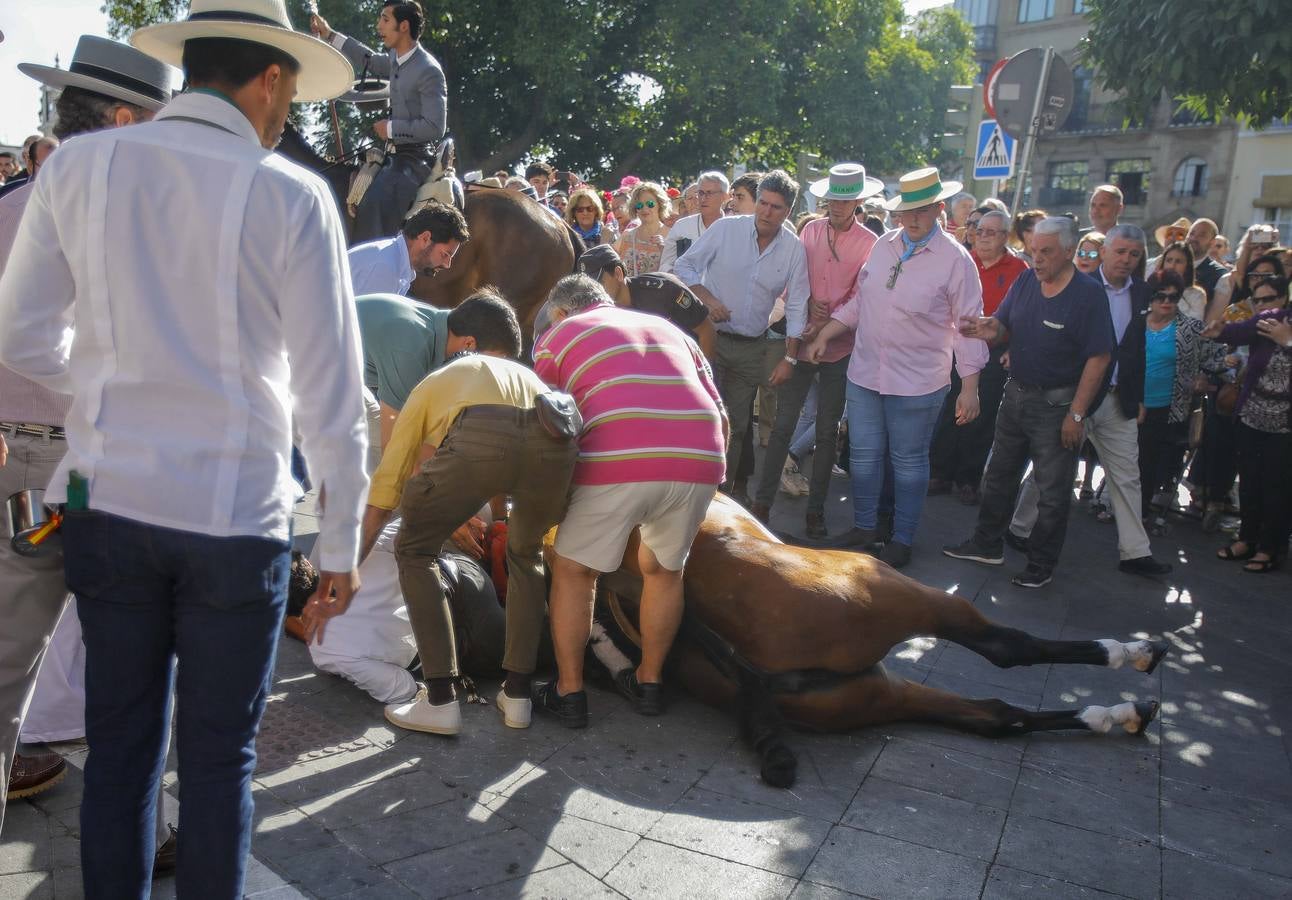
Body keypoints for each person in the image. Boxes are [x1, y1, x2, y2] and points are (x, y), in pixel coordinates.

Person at [1, 5, 369, 894]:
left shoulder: (78, 167)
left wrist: (101, 382)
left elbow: (18, 337)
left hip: (108, 505)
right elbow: (331, 397)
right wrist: (343, 543)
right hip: (233, 519)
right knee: (217, 766)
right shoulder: (291, 192)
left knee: (121, 749)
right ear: (271, 80)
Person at [0, 33, 171, 839]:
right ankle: (144, 832)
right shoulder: (131, 226)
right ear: (124, 119)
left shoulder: (10, 210)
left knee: (9, 662)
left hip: (28, 458)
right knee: (131, 660)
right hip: (89, 463)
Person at [359, 293, 577, 736]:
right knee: (526, 555)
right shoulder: (527, 376)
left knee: (414, 550)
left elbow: (390, 479)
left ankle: (440, 699)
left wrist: (350, 564)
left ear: (467, 344)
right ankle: (518, 695)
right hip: (557, 436)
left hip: (482, 435)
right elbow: (510, 468)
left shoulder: (442, 377)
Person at [532, 275, 725, 725]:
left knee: (575, 571)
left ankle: (569, 692)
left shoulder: (557, 335)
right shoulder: (670, 329)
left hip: (618, 460)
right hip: (700, 456)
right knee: (663, 571)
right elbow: (718, 406)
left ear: (561, 312)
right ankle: (650, 683)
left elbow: (545, 418)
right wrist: (713, 477)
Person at [806, 168, 986, 568]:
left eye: (922, 210)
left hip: (919, 382)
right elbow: (861, 302)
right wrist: (826, 333)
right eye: (907, 211)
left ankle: (902, 538)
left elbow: (969, 326)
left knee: (908, 462)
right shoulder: (885, 245)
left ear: (939, 209)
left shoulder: (956, 260)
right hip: (867, 372)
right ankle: (866, 527)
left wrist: (970, 387)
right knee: (865, 457)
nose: (913, 219)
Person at [944, 217, 1115, 588]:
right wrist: (988, 328)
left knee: (1052, 491)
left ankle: (1041, 563)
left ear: (1069, 252)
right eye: (1034, 251)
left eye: (1046, 252)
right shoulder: (1025, 280)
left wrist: (1077, 413)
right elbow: (1004, 325)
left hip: (1058, 406)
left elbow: (1099, 357)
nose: (1036, 259)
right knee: (998, 475)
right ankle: (987, 543)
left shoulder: (1088, 295)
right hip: (1016, 393)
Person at [1009, 224, 1173, 578]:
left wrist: (1138, 396)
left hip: (1118, 399)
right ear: (1104, 252)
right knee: (1048, 472)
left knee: (1127, 474)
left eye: (1134, 254)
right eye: (1120, 252)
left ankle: (1135, 552)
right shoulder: (1079, 286)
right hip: (1073, 397)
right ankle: (1019, 528)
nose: (1127, 260)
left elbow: (1136, 349)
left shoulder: (1142, 293)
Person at [752, 163, 882, 538]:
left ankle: (816, 510)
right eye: (832, 199)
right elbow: (795, 279)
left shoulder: (869, 243)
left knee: (827, 433)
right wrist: (808, 308)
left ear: (858, 201)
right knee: (782, 426)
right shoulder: (810, 230)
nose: (837, 206)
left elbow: (863, 296)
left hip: (840, 348)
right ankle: (762, 502)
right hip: (802, 339)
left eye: (845, 200)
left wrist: (830, 321)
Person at [674, 170, 809, 502]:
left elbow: (797, 304)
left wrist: (791, 357)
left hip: (752, 348)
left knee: (734, 429)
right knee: (699, 421)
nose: (765, 212)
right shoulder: (726, 229)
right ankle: (688, 496)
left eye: (775, 207)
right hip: (710, 340)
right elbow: (685, 267)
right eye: (762, 203)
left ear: (787, 211)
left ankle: (721, 499)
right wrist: (708, 299)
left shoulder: (794, 249)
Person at [292, 516, 507, 704]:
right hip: (462, 575)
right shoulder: (345, 539)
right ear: (304, 562)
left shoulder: (324, 648)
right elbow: (417, 523)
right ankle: (500, 562)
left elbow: (401, 687)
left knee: (527, 649)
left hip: (468, 643)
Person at [311, 1, 448, 241]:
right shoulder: (396, 58)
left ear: (404, 26)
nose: (379, 26)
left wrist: (391, 128)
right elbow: (371, 61)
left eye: (385, 19)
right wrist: (329, 34)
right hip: (394, 155)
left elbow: (435, 127)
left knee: (374, 202)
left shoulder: (428, 70)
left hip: (416, 160)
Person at [928, 208, 1029, 505]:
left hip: (995, 350)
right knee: (949, 408)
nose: (982, 238)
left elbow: (1023, 317)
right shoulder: (962, 261)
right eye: (979, 231)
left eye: (991, 232)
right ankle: (940, 471)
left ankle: (968, 478)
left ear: (1005, 236)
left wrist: (1013, 349)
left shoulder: (1019, 269)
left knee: (981, 415)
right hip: (956, 345)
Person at [359, 291, 527, 452]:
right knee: (386, 451)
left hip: (345, 377)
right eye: (487, 363)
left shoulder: (436, 329)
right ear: (469, 344)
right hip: (335, 375)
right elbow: (394, 444)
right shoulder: (410, 348)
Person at [1117, 271, 1220, 532]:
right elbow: (1127, 364)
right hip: (1133, 402)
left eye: (1173, 297)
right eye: (1160, 296)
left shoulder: (1189, 327)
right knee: (1125, 459)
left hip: (1166, 406)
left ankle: (1138, 514)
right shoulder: (1138, 323)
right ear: (1150, 298)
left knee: (1147, 461)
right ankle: (1117, 506)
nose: (1166, 302)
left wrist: (1202, 377)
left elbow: (1214, 359)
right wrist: (1135, 400)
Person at [1203, 276, 1292, 572]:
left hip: (1284, 427)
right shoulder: (1269, 319)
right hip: (1252, 417)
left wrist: (1287, 341)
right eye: (1259, 300)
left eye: (1269, 299)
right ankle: (1247, 539)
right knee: (1250, 483)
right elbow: (1238, 331)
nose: (1263, 306)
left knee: (1276, 488)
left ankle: (1269, 549)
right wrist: (1219, 331)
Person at [572, 243, 714, 355]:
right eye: (588, 287)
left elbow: (706, 331)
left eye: (599, 283)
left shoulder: (663, 291)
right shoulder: (598, 312)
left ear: (618, 273)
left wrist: (704, 378)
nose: (593, 292)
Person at [347, 200, 468, 296]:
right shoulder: (386, 267)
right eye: (445, 255)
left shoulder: (396, 263)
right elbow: (367, 324)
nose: (447, 265)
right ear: (425, 238)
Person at [661, 170, 728, 273]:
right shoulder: (681, 226)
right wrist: (677, 276)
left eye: (709, 193)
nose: (703, 198)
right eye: (701, 193)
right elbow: (665, 264)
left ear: (724, 196)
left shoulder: (733, 228)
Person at [614, 181, 671, 276]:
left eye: (650, 204)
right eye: (639, 205)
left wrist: (664, 250)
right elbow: (609, 263)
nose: (644, 209)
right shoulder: (627, 236)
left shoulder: (671, 235)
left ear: (660, 204)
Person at [1154, 240, 1208, 320]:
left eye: (1178, 261)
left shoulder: (1197, 295)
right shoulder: (1152, 288)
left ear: (1187, 266)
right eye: (1169, 260)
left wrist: (1175, 293)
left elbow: (1195, 325)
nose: (1172, 266)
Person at [1186, 218, 1228, 299]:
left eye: (1202, 235)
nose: (1194, 238)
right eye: (1192, 233)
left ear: (1213, 242)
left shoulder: (1218, 275)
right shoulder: (1173, 264)